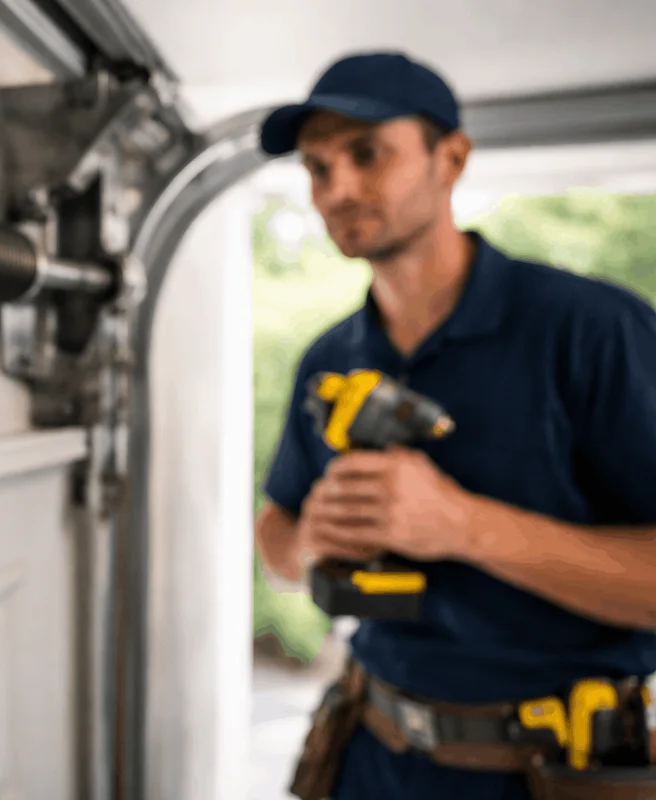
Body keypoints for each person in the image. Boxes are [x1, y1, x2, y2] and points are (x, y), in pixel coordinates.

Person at [252, 51, 656, 799]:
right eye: (315, 167)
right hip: (370, 751)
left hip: (561, 773)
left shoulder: (590, 332)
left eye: (366, 153)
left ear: (452, 158)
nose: (335, 188)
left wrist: (461, 525)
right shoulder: (329, 360)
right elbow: (277, 533)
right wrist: (311, 543)